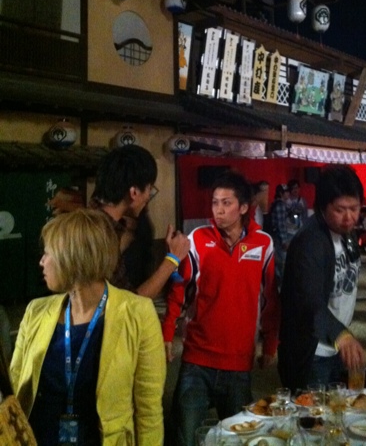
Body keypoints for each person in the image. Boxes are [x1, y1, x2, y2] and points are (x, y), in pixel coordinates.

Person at [10, 208, 166, 445]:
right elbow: (14, 388)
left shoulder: (138, 314)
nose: (41, 261)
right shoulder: (36, 311)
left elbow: (149, 412)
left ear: (72, 258)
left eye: (48, 253)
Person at [162, 170, 280, 446]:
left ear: (243, 208)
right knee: (186, 438)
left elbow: (271, 299)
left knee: (238, 440)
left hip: (239, 363)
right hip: (196, 361)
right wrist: (167, 332)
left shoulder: (263, 243)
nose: (219, 210)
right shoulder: (198, 239)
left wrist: (270, 344)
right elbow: (179, 289)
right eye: (215, 202)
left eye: (226, 203)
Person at [49, 145, 190, 299]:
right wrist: (172, 259)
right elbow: (129, 302)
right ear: (134, 192)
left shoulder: (94, 220)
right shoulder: (101, 234)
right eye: (149, 189)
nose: (148, 196)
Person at [278, 164, 366, 391]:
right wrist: (341, 335)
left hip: (334, 346)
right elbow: (310, 301)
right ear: (322, 207)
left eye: (354, 208)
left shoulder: (346, 233)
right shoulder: (310, 243)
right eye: (340, 210)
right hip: (313, 353)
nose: (349, 217)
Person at [269, 183, 290, 286]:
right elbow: (281, 225)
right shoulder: (280, 205)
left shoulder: (274, 204)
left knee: (277, 262)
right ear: (281, 193)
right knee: (282, 262)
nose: (288, 194)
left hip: (274, 237)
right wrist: (284, 241)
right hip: (279, 238)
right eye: (286, 192)